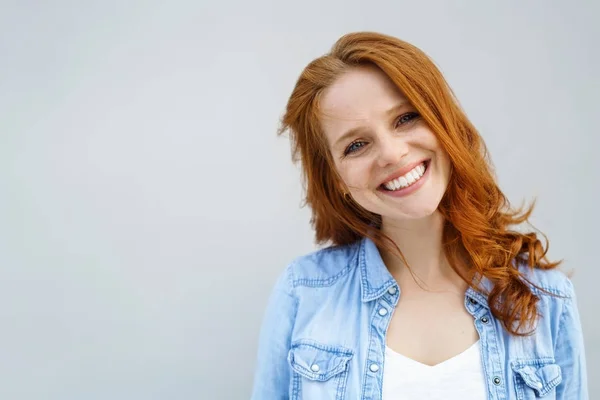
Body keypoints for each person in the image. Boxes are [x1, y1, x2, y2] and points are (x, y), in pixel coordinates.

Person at [250, 31, 587, 400]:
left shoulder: (547, 299)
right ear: (337, 179)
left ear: (444, 123)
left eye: (406, 118)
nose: (392, 154)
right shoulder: (303, 293)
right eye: (356, 145)